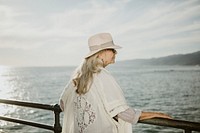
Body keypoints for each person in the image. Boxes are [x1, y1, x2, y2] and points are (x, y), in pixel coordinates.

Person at [59, 33, 171, 133]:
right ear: (101, 53)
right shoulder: (102, 75)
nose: (115, 52)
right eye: (112, 49)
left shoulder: (77, 78)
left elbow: (62, 104)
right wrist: (155, 114)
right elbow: (123, 113)